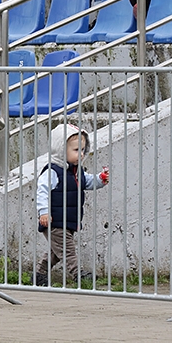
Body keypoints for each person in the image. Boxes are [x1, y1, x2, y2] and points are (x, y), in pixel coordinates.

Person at [34, 123, 109, 287]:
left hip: (69, 219)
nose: (81, 154)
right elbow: (42, 191)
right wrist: (44, 212)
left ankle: (39, 274)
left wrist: (100, 179)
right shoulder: (53, 171)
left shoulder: (77, 171)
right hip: (55, 220)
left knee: (56, 251)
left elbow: (87, 182)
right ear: (61, 150)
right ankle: (78, 274)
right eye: (76, 150)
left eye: (82, 150)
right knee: (67, 250)